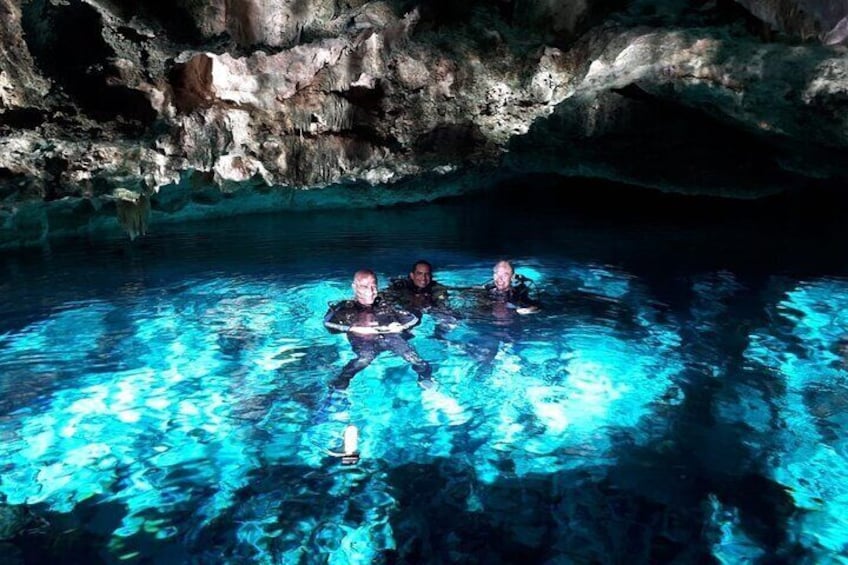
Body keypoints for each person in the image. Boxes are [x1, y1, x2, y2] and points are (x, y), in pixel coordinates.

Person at [324, 269, 434, 390]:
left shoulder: (386, 304)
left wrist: (401, 327)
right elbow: (328, 324)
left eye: (373, 286)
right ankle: (340, 383)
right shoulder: (345, 307)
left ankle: (425, 379)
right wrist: (355, 329)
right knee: (364, 359)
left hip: (391, 337)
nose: (370, 292)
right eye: (364, 287)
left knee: (415, 359)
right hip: (363, 340)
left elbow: (413, 318)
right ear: (354, 287)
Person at [384, 260, 457, 337]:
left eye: (427, 274)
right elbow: (388, 303)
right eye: (419, 273)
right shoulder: (400, 288)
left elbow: (443, 306)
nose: (423, 278)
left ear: (431, 276)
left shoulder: (437, 289)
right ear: (412, 275)